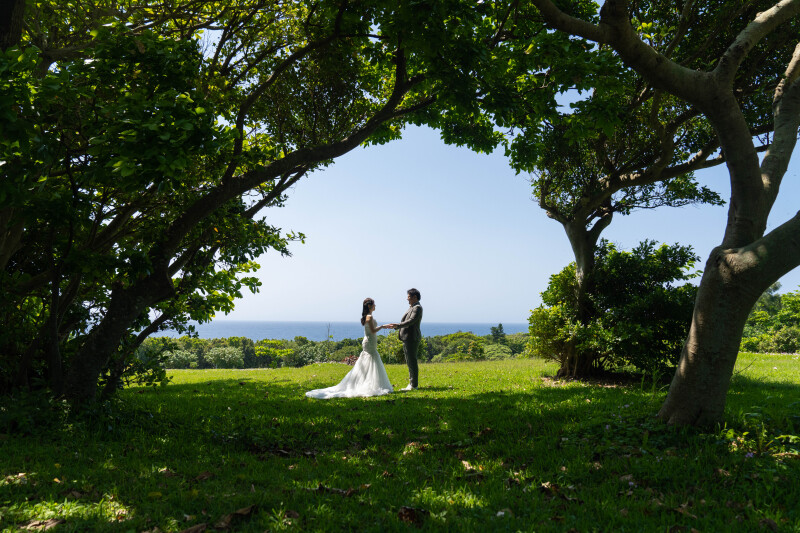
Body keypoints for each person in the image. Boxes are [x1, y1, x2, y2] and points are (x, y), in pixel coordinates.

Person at [305, 298, 394, 399]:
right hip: (369, 341)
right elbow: (373, 330)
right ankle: (368, 384)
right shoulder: (369, 317)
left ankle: (369, 382)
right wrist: (383, 326)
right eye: (374, 304)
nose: (375, 306)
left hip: (370, 341)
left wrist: (384, 326)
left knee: (369, 361)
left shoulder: (368, 316)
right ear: (369, 306)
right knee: (370, 359)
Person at [387, 288, 423, 390]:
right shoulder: (412, 307)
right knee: (409, 361)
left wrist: (397, 325)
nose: (407, 299)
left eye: (408, 297)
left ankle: (413, 385)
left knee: (412, 361)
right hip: (408, 338)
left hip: (412, 337)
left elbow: (411, 321)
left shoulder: (417, 308)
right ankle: (412, 384)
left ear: (414, 297)